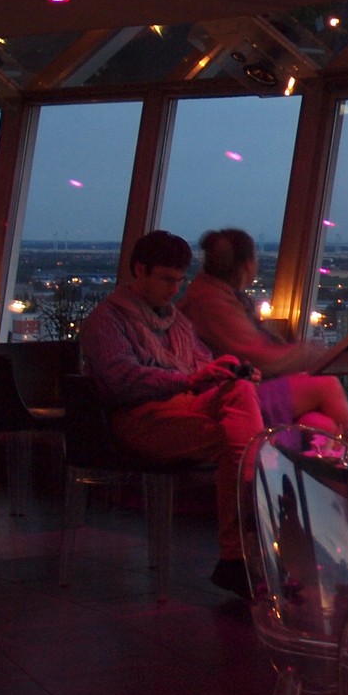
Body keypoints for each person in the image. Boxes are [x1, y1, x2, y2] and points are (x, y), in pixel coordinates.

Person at [78, 229, 262, 597]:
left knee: (239, 389)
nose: (174, 289)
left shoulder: (176, 321)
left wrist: (223, 370)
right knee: (239, 441)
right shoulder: (106, 321)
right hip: (138, 420)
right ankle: (249, 534)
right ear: (139, 271)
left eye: (179, 280)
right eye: (166, 279)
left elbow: (200, 368)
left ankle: (238, 554)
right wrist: (191, 381)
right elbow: (121, 381)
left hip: (181, 408)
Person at [179, 228, 348, 440]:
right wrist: (312, 353)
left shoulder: (215, 297)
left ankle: (339, 465)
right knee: (328, 386)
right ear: (247, 264)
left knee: (319, 425)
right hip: (232, 395)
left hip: (238, 388)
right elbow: (257, 356)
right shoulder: (211, 302)